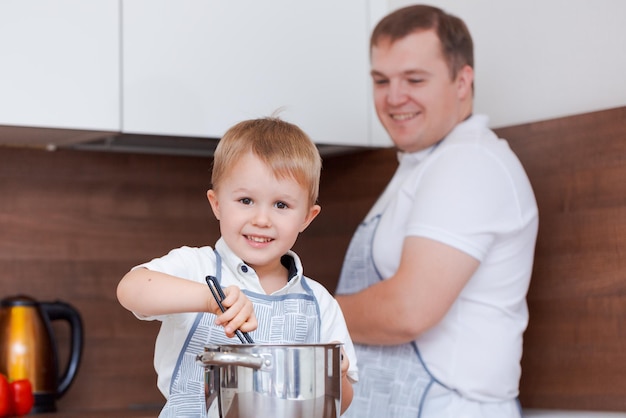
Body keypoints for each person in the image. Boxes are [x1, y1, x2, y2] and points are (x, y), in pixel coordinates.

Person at [334, 5, 538, 418]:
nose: (394, 97)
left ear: (462, 81)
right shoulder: (421, 166)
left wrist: (296, 307)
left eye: (414, 79)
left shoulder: (471, 162)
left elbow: (409, 309)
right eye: (381, 80)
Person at [117, 116, 357, 417]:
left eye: (281, 205)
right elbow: (131, 288)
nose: (261, 219)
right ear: (217, 204)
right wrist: (208, 299)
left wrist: (338, 374)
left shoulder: (320, 303)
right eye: (246, 200)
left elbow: (339, 405)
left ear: (307, 218)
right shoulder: (196, 267)